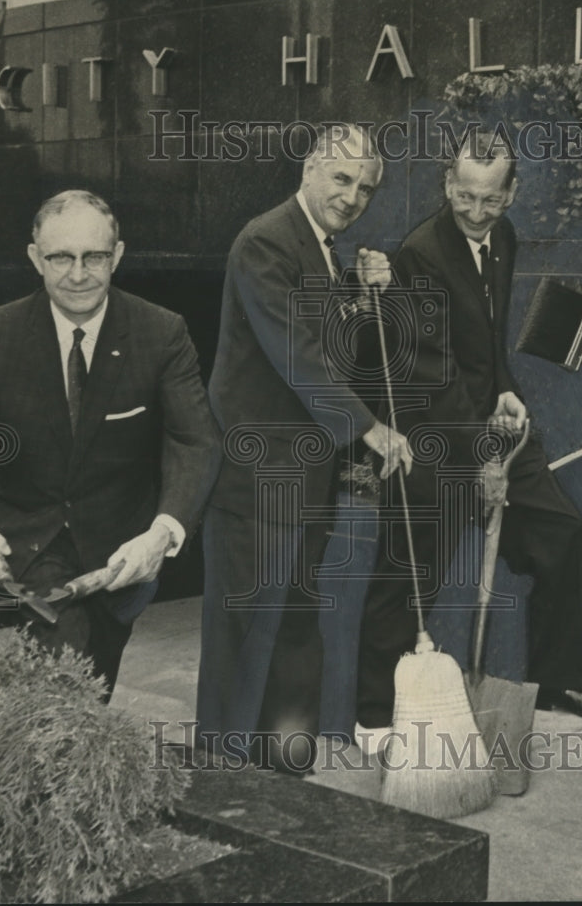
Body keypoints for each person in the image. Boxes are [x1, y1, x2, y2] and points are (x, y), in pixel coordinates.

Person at [354, 134, 582, 749]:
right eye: (466, 197)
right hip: (430, 435)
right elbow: (430, 370)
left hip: (488, 425)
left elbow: (488, 339)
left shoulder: (503, 239)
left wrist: (506, 395)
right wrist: (480, 453)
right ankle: (372, 716)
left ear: (511, 193)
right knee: (409, 575)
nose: (477, 211)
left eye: (491, 199)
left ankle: (555, 681)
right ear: (448, 185)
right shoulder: (421, 254)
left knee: (560, 530)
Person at [0, 189, 220, 701]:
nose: (78, 274)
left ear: (117, 255)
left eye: (94, 256)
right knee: (56, 698)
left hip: (118, 561)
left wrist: (163, 533)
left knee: (87, 697)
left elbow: (196, 440)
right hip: (19, 558)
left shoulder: (161, 333)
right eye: (61, 257)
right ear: (35, 258)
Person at [196, 124, 413, 774]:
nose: (352, 197)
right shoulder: (267, 240)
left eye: (366, 188)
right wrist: (369, 428)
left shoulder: (324, 250)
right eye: (342, 179)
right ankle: (222, 780)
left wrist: (365, 296)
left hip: (303, 477)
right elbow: (298, 357)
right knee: (243, 636)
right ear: (312, 168)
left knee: (291, 626)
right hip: (256, 479)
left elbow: (334, 350)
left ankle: (283, 771)